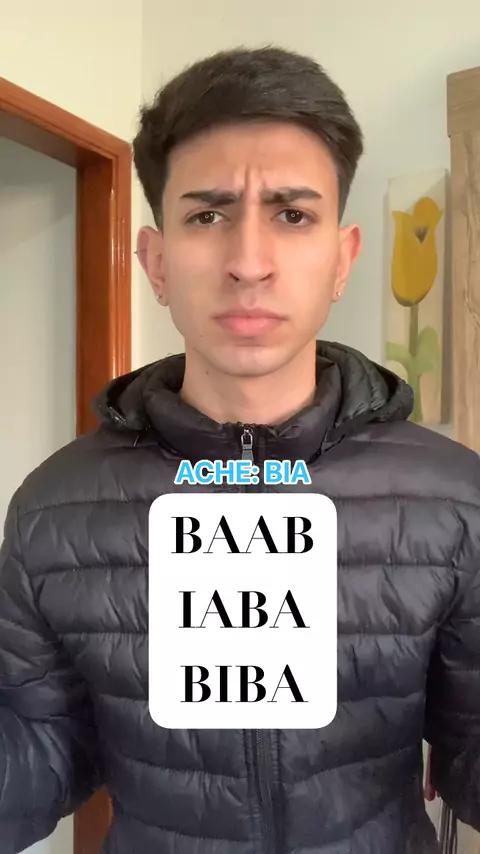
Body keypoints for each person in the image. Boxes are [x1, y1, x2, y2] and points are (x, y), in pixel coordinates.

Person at [0, 44, 479, 854]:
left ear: (342, 259)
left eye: (292, 215)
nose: (248, 264)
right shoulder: (52, 508)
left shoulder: (455, 497)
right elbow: (43, 747)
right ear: (156, 262)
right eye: (207, 215)